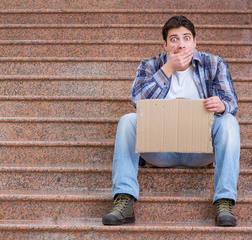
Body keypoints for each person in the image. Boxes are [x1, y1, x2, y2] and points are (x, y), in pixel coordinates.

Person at [102, 15, 240, 227]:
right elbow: (138, 102)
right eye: (174, 39)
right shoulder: (150, 65)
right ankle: (124, 200)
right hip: (160, 152)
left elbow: (231, 101)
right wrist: (168, 69)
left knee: (229, 121)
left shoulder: (214, 63)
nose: (181, 44)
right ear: (165, 44)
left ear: (195, 41)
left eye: (186, 38)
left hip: (200, 151)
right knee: (128, 121)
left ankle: (223, 201)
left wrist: (222, 105)